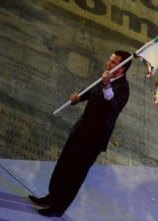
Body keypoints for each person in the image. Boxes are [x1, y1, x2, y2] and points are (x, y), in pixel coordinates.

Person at [28, 50, 132, 217]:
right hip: (81, 130)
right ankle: (52, 196)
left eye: (113, 62)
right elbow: (92, 91)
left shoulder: (123, 88)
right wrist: (79, 98)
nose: (108, 64)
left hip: (93, 139)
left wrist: (107, 86)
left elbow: (112, 106)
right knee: (64, 165)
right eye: (110, 60)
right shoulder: (106, 77)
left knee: (75, 174)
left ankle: (58, 207)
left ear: (122, 67)